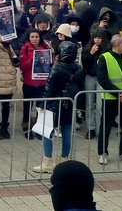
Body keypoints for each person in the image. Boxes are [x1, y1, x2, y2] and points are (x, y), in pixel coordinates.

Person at [33, 40, 83, 174]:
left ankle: (48, 161)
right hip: (69, 104)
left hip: (53, 105)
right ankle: (64, 161)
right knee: (66, 132)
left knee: (47, 132)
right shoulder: (78, 68)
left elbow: (48, 88)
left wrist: (42, 104)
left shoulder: (56, 68)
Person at [97, 34, 122, 165]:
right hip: (110, 98)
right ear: (117, 44)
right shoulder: (104, 58)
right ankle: (103, 152)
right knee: (106, 127)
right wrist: (119, 93)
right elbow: (103, 80)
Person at [80, 29, 109, 140]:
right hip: (90, 77)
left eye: (99, 37)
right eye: (95, 37)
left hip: (101, 79)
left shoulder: (107, 50)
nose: (97, 40)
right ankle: (90, 128)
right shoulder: (87, 49)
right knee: (89, 103)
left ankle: (99, 128)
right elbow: (85, 64)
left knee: (100, 105)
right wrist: (91, 53)